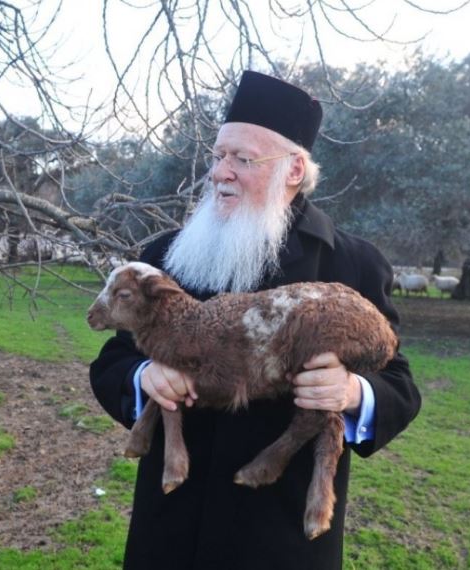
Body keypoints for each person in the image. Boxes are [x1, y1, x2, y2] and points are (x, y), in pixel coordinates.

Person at [90, 70, 421, 570]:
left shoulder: (351, 264)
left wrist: (352, 392)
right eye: (219, 156)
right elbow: (112, 360)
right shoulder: (163, 258)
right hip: (171, 526)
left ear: (292, 170)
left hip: (277, 535)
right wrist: (144, 375)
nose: (221, 172)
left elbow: (399, 382)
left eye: (242, 159)